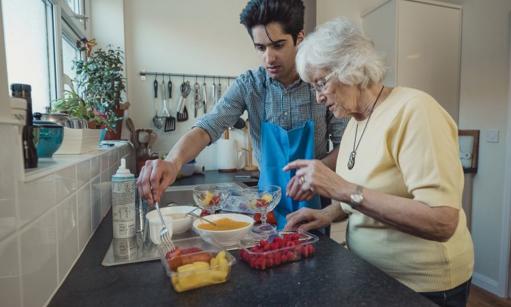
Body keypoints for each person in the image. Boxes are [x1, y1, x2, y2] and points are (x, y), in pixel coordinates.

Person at [283, 18, 474, 307]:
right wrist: (329, 213)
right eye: (313, 87)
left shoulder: (414, 110)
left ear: (351, 68)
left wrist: (341, 189)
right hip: (371, 274)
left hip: (422, 286)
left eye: (321, 82)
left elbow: (442, 221)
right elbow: (371, 194)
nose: (319, 97)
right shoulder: (354, 124)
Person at [136, 0, 347, 229]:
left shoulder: (322, 84)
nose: (269, 58)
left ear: (299, 38)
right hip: (267, 209)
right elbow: (207, 128)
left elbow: (345, 146)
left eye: (278, 45)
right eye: (260, 47)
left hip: (314, 207)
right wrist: (172, 162)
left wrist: (317, 170)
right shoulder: (250, 85)